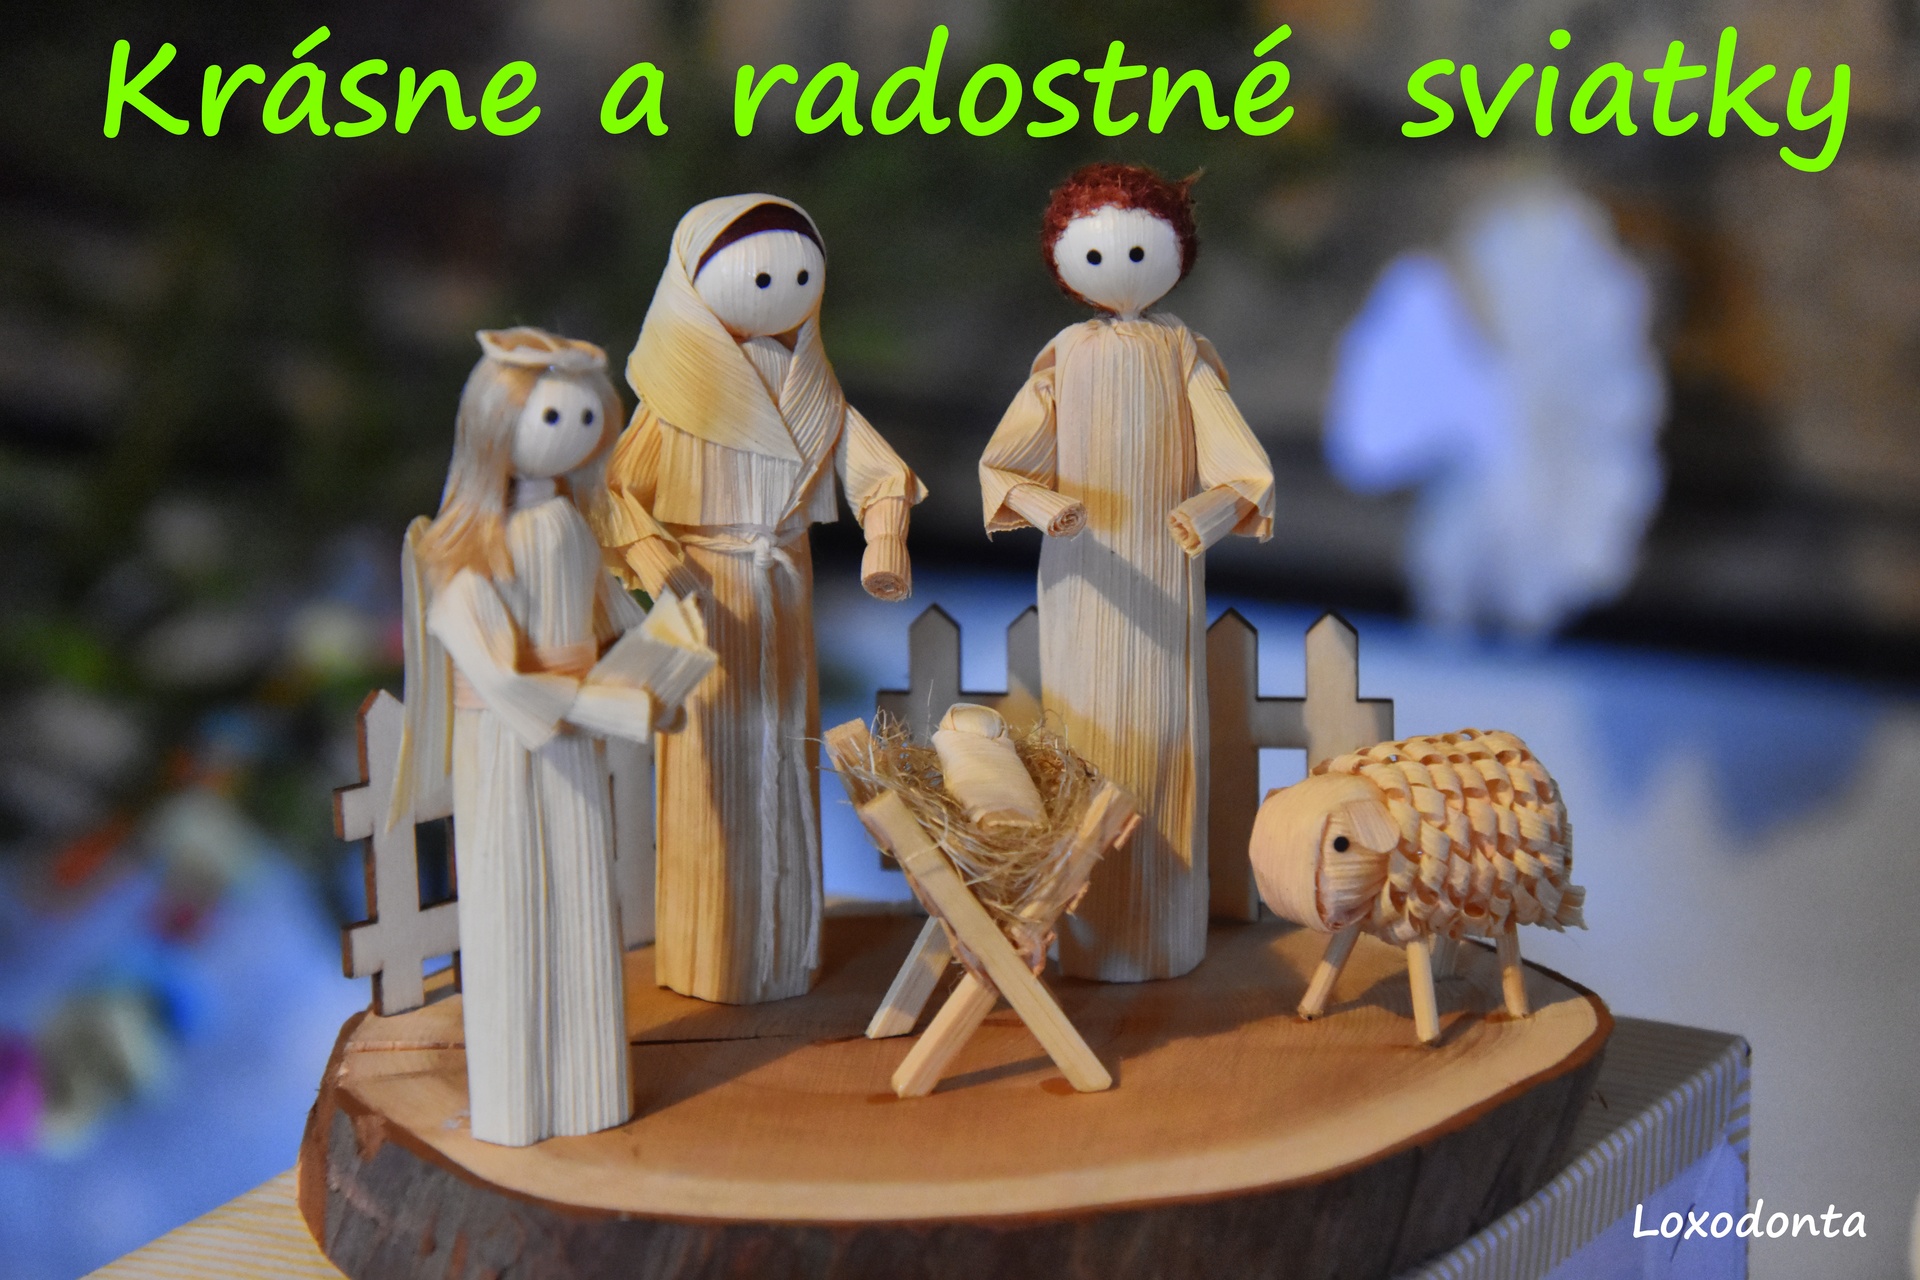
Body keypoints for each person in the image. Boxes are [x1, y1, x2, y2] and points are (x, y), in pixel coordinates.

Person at [980, 164, 1275, 982]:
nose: (1119, 268)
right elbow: (1003, 465)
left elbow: (1245, 471)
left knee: (1163, 744)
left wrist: (1204, 513)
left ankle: (1163, 930)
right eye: (1096, 253)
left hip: (1161, 579)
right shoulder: (1063, 359)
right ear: (1062, 262)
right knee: (1083, 745)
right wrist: (1042, 506)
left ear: (1177, 252)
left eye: (1140, 250)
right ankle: (1083, 932)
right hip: (1079, 581)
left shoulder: (1182, 357)